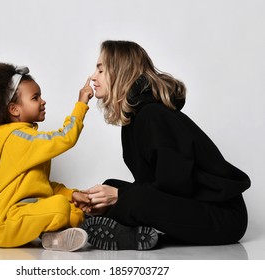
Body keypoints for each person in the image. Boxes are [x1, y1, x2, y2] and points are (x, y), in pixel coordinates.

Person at [80, 40, 251, 251]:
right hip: (191, 204)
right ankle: (126, 232)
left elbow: (175, 186)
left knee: (129, 199)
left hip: (223, 217)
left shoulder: (153, 115)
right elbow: (152, 184)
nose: (93, 77)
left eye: (100, 70)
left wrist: (121, 198)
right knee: (110, 185)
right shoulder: (134, 119)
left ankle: (99, 225)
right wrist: (114, 195)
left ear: (119, 72)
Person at [0, 63, 93, 251]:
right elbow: (65, 137)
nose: (43, 101)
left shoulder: (27, 138)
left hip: (24, 215)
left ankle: (52, 238)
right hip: (5, 224)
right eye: (35, 97)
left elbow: (41, 185)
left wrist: (71, 194)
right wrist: (81, 104)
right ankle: (65, 231)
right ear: (14, 109)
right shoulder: (20, 138)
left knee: (74, 211)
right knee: (60, 207)